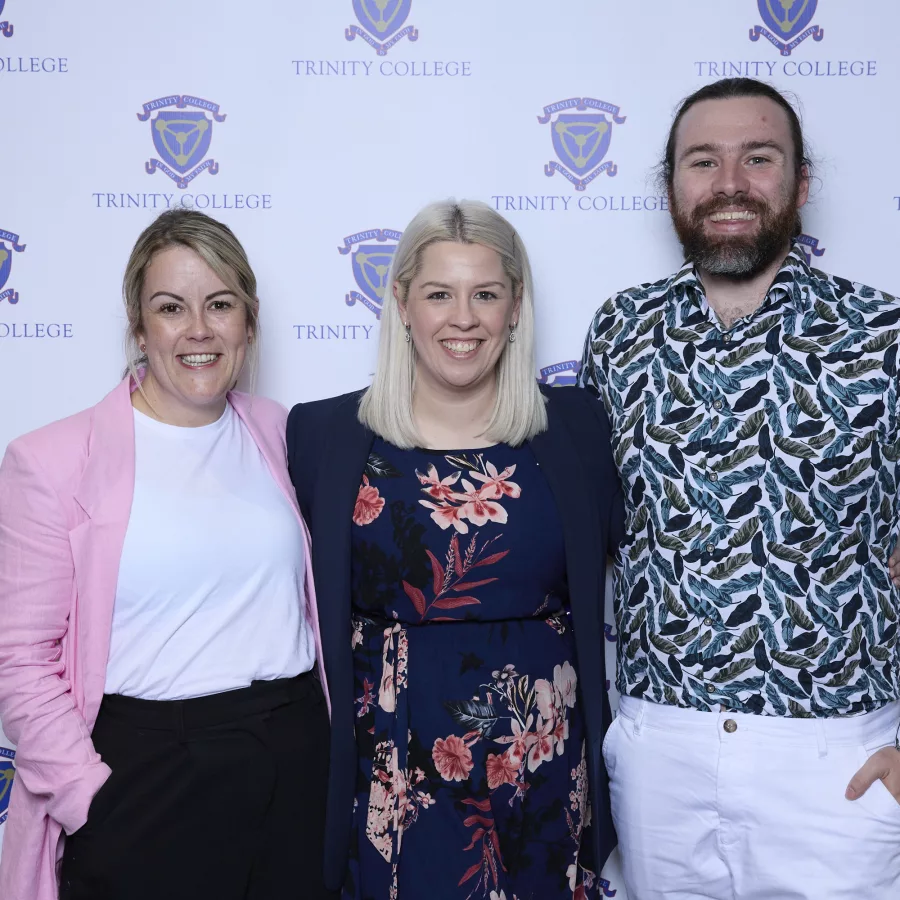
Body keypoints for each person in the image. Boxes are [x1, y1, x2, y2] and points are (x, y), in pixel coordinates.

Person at [579, 76, 900, 899]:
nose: (729, 184)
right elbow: (584, 535)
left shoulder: (883, 336)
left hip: (839, 763)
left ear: (800, 183)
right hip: (660, 754)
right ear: (671, 186)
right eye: (702, 161)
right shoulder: (620, 332)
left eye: (758, 158)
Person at [288, 200, 623, 899]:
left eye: (486, 294)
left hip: (541, 766)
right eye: (439, 293)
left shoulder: (578, 431)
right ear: (402, 303)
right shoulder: (323, 437)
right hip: (390, 770)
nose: (463, 318)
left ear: (516, 307)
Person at [0, 209, 334, 900]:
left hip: (295, 758)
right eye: (171, 308)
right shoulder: (51, 460)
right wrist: (88, 798)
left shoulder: (282, 433)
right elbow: (18, 656)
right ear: (138, 325)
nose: (199, 330)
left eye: (220, 304)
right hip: (150, 774)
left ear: (249, 319)